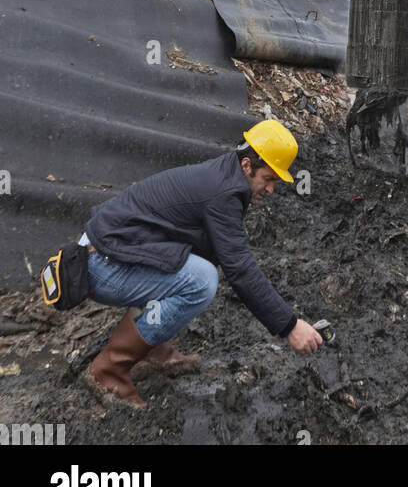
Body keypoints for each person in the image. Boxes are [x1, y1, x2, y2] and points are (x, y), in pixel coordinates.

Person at [81, 119, 323, 407]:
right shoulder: (223, 193)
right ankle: (107, 371)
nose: (271, 189)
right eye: (268, 178)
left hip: (107, 252)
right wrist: (289, 326)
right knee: (201, 280)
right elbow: (240, 269)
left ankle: (153, 349)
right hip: (101, 265)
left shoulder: (225, 174)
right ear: (247, 165)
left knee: (192, 267)